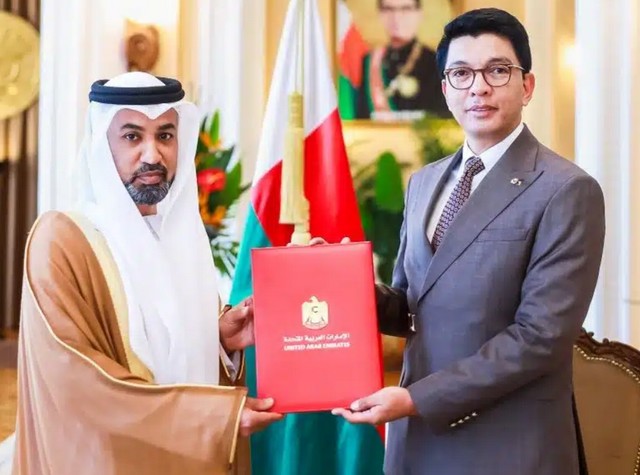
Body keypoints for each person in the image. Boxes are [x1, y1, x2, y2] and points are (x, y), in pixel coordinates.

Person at [332, 8, 605, 475]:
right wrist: (338, 282)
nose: (478, 87)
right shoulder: (423, 182)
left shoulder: (566, 189)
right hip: (418, 440)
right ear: (445, 89)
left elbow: (539, 337)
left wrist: (417, 399)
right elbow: (411, 306)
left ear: (527, 86)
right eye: (461, 73)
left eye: (498, 70)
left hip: (510, 443)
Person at [12, 72, 282, 475]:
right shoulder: (63, 239)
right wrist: (212, 416)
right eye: (132, 136)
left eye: (165, 136)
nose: (153, 155)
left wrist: (220, 339)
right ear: (102, 144)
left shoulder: (180, 241)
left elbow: (168, 352)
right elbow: (75, 379)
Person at [355, 0, 450, 120]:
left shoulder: (436, 62)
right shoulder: (369, 62)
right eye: (388, 9)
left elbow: (442, 119)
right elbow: (361, 118)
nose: (396, 17)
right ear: (380, 14)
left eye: (406, 9)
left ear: (419, 14)